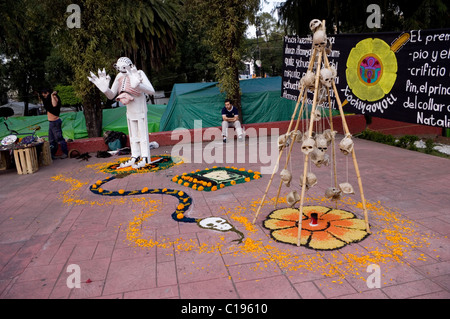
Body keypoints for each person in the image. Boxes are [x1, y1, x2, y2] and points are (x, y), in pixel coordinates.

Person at [40, 89, 68, 159]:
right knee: (52, 139)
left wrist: (52, 95)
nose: (44, 95)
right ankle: (52, 154)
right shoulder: (47, 100)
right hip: (51, 122)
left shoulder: (54, 97)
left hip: (55, 122)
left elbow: (54, 105)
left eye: (44, 93)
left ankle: (65, 152)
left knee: (59, 138)